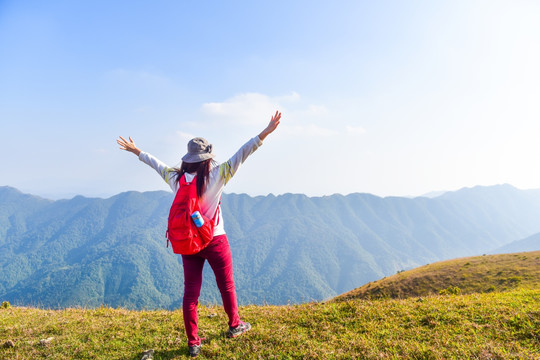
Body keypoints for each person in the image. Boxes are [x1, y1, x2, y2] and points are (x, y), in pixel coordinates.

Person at [117, 111, 281, 357]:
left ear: (188, 159)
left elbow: (156, 164)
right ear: (207, 159)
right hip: (215, 239)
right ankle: (235, 325)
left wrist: (137, 150)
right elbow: (243, 152)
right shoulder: (218, 175)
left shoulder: (176, 178)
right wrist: (265, 133)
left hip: (189, 242)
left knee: (190, 292)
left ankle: (193, 342)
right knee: (226, 284)